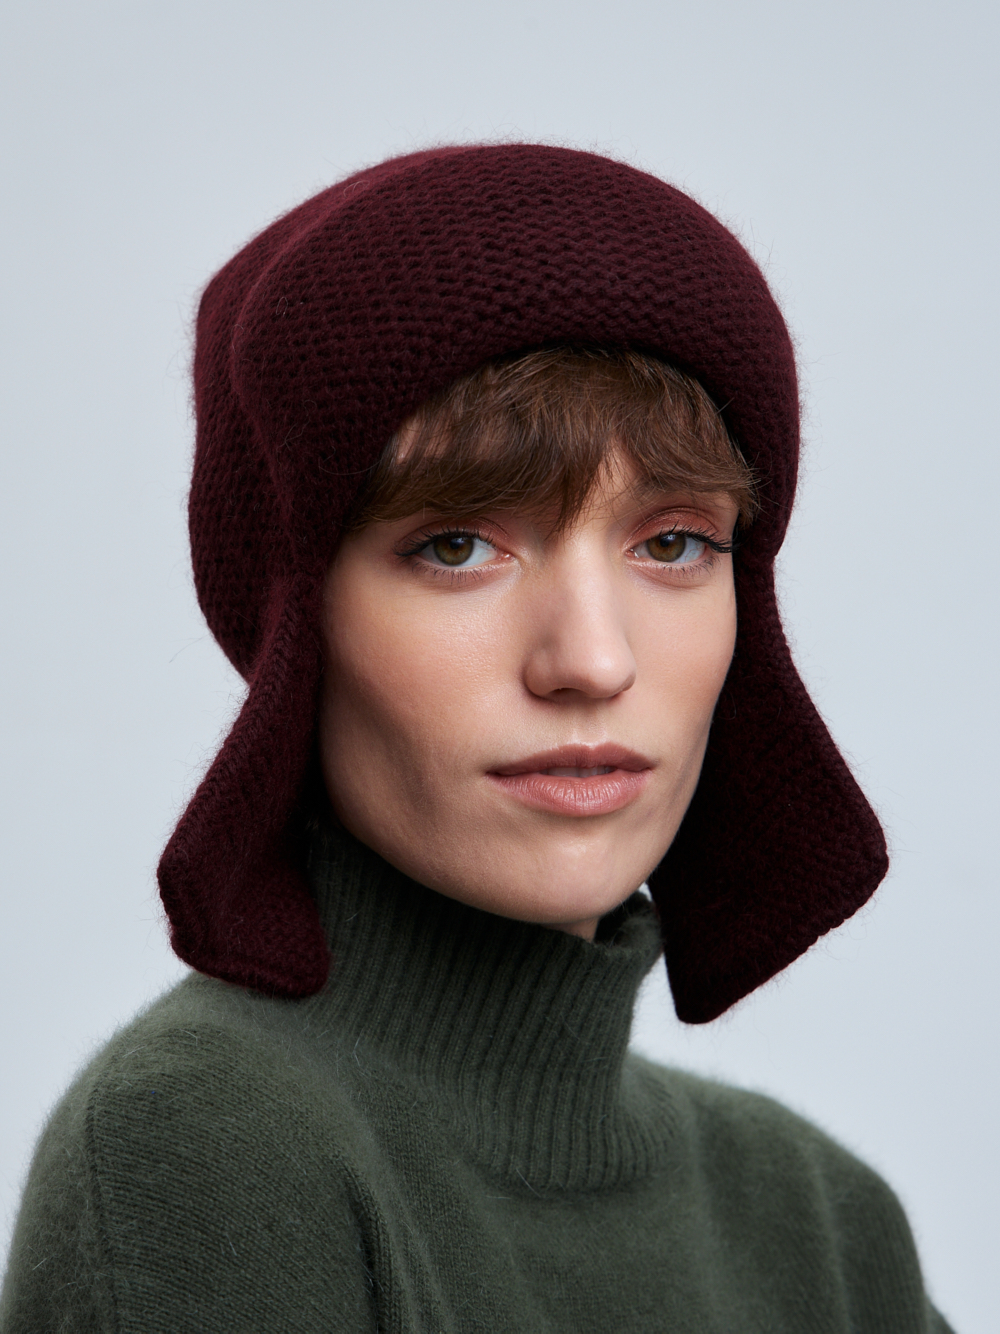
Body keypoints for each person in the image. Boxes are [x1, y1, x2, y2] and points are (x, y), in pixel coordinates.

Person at [0, 144, 954, 1332]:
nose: (591, 659)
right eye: (456, 545)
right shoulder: (209, 1139)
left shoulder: (820, 1217)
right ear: (297, 617)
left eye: (672, 543)